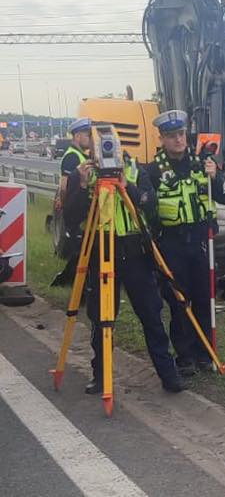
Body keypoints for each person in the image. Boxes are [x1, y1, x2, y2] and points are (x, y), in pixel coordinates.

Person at [64, 149, 185, 394]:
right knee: (101, 318)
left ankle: (169, 374)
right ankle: (101, 375)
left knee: (151, 314)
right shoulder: (85, 174)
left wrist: (126, 185)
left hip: (134, 253)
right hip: (101, 250)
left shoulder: (134, 170)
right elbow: (71, 216)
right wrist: (83, 185)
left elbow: (149, 203)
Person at [146, 110, 225, 376]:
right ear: (162, 139)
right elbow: (147, 208)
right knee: (179, 301)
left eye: (181, 134)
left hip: (200, 242)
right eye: (172, 135)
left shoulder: (202, 163)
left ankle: (205, 354)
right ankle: (184, 357)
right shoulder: (153, 170)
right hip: (171, 243)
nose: (178, 140)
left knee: (204, 298)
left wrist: (216, 176)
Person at [51, 118, 93, 287]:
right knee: (80, 248)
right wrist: (64, 203)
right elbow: (64, 186)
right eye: (87, 135)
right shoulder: (72, 157)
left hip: (81, 205)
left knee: (82, 249)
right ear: (77, 136)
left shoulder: (82, 155)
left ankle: (70, 281)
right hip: (75, 207)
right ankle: (69, 281)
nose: (90, 138)